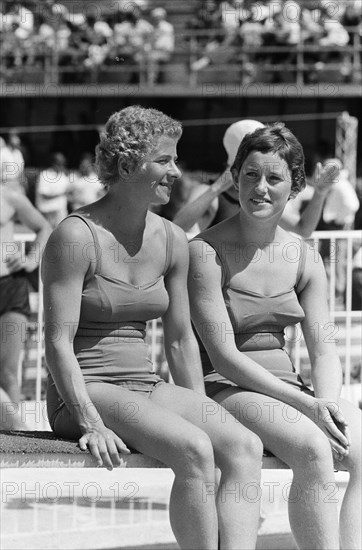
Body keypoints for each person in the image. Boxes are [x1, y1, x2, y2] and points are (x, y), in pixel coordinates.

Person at [42, 105, 264, 550]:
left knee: (242, 445)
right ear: (127, 165)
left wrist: (203, 412)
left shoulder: (172, 238)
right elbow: (56, 340)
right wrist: (90, 420)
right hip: (83, 389)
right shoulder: (75, 235)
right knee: (195, 450)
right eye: (164, 160)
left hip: (143, 384)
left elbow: (181, 341)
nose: (176, 171)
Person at [188, 122, 361, 550]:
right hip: (226, 387)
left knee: (359, 447)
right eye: (250, 175)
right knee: (312, 448)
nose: (260, 188)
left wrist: (330, 405)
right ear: (236, 176)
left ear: (295, 185)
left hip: (290, 390)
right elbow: (224, 357)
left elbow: (323, 349)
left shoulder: (304, 256)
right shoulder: (205, 252)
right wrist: (309, 406)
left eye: (274, 178)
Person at [173, 119, 337, 239]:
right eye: (252, 173)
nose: (260, 186)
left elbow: (303, 229)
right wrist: (216, 188)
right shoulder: (211, 193)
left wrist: (320, 193)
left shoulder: (259, 196)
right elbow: (177, 227)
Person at [0, 184, 51, 429]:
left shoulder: (9, 197)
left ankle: (13, 443)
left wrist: (31, 261)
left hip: (10, 286)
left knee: (8, 371)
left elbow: (44, 228)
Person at [36, 152, 72, 228]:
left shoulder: (64, 176)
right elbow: (44, 195)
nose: (62, 165)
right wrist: (62, 193)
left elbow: (69, 193)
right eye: (60, 163)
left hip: (61, 213)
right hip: (47, 213)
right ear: (54, 163)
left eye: (63, 163)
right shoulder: (44, 175)